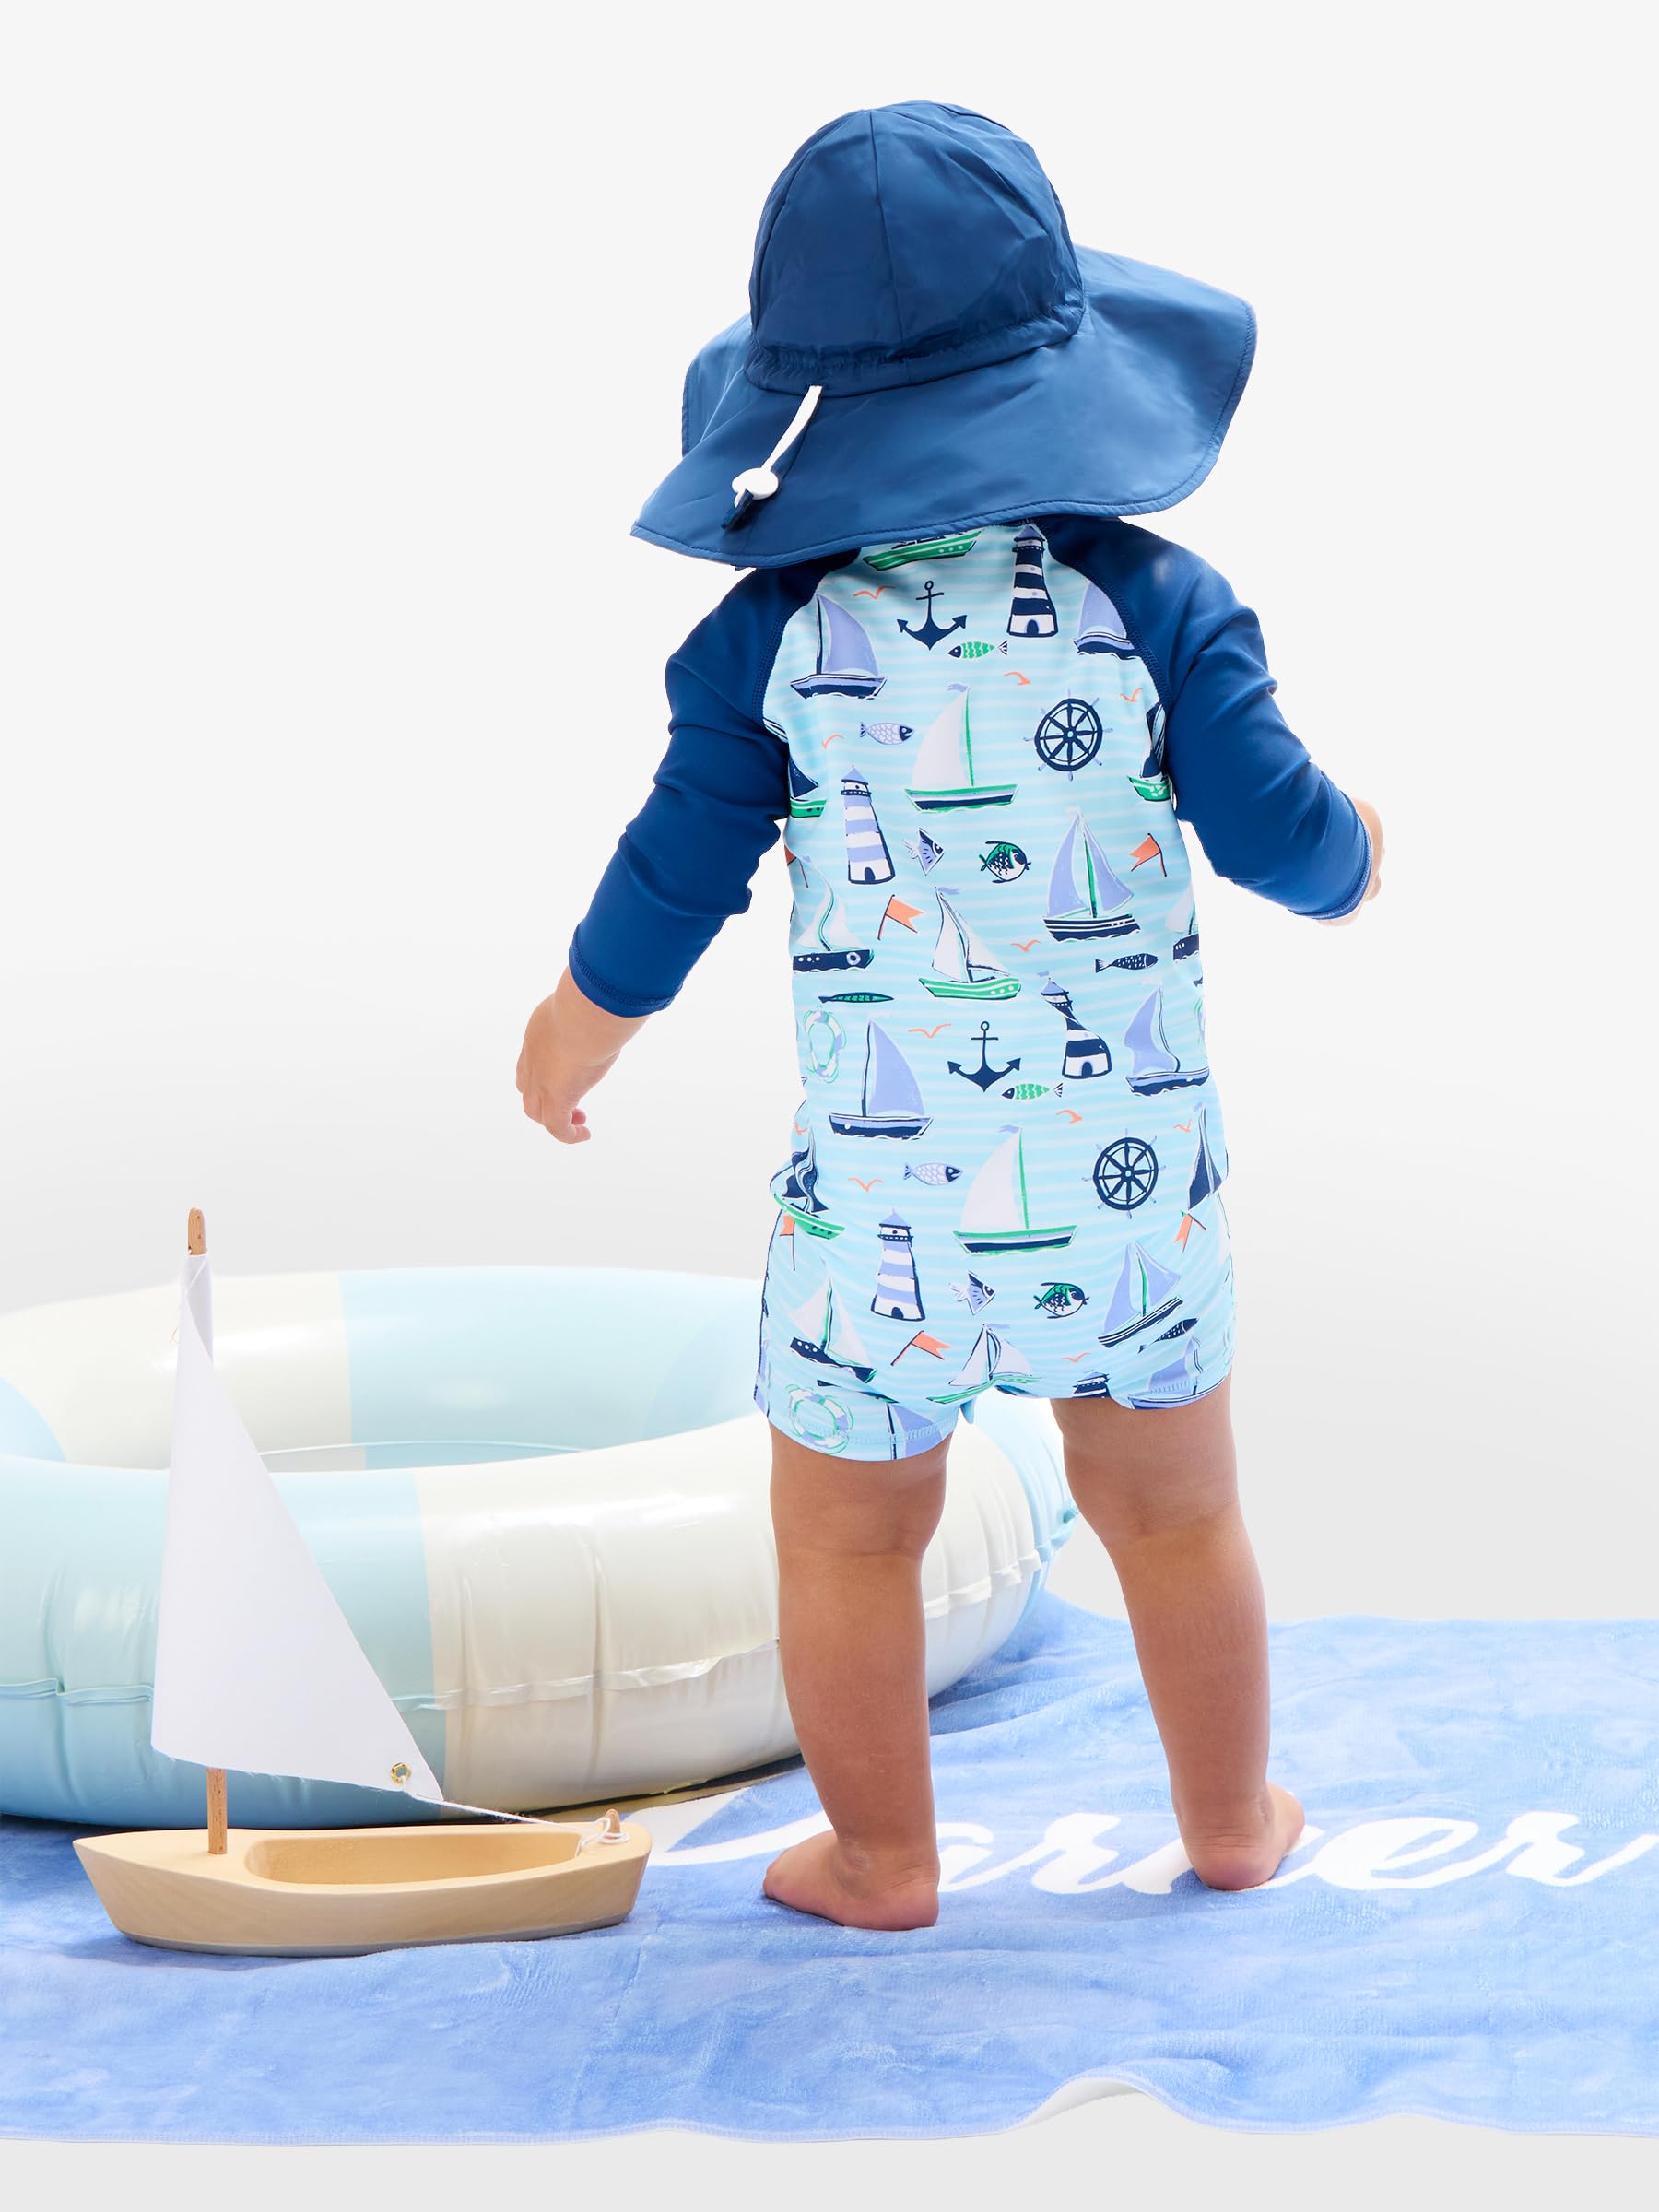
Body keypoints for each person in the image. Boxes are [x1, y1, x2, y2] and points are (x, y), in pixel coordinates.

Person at [517, 102, 1383, 1930]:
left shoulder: (769, 637)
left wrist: (576, 1025)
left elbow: (674, 873)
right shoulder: (1156, 603)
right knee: (1175, 1513)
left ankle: (885, 1858)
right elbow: (1282, 843)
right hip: (1127, 1193)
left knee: (847, 1533)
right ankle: (1232, 1822)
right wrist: (1359, 850)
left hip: (884, 1205)